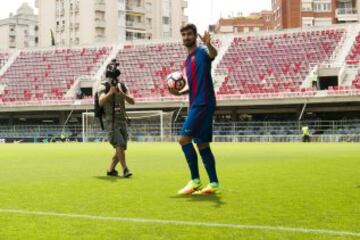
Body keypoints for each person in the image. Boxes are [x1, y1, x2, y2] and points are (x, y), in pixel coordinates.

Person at [169, 23, 220, 195]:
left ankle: (195, 181)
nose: (186, 37)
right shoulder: (187, 61)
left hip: (202, 103)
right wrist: (179, 92)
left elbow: (214, 54)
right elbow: (194, 84)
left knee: (183, 140)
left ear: (195, 35)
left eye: (189, 34)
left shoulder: (202, 52)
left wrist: (208, 44)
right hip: (197, 103)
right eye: (183, 35)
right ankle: (213, 183)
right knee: (202, 144)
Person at [98, 59, 135, 178]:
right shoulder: (103, 86)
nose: (114, 78)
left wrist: (121, 94)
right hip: (110, 120)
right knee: (119, 143)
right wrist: (110, 93)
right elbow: (100, 102)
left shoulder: (123, 86)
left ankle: (111, 170)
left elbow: (132, 101)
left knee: (122, 146)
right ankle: (125, 169)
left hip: (122, 119)